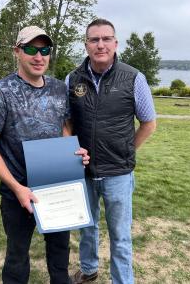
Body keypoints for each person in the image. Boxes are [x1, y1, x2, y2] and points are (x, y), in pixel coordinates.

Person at [0, 25, 89, 284]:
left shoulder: (60, 89)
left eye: (45, 50)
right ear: (17, 51)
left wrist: (74, 155)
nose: (39, 56)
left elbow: (65, 128)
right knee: (17, 258)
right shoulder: (0, 93)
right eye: (31, 49)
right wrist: (17, 187)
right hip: (17, 191)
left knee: (60, 257)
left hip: (56, 187)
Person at [66, 19, 156, 284]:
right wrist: (70, 149)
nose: (100, 44)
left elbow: (149, 123)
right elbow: (67, 122)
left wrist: (128, 150)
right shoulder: (72, 79)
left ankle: (122, 280)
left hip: (119, 172)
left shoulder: (134, 77)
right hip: (83, 170)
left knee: (120, 235)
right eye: (94, 40)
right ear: (86, 45)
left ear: (116, 43)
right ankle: (89, 269)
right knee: (87, 226)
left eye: (106, 38)